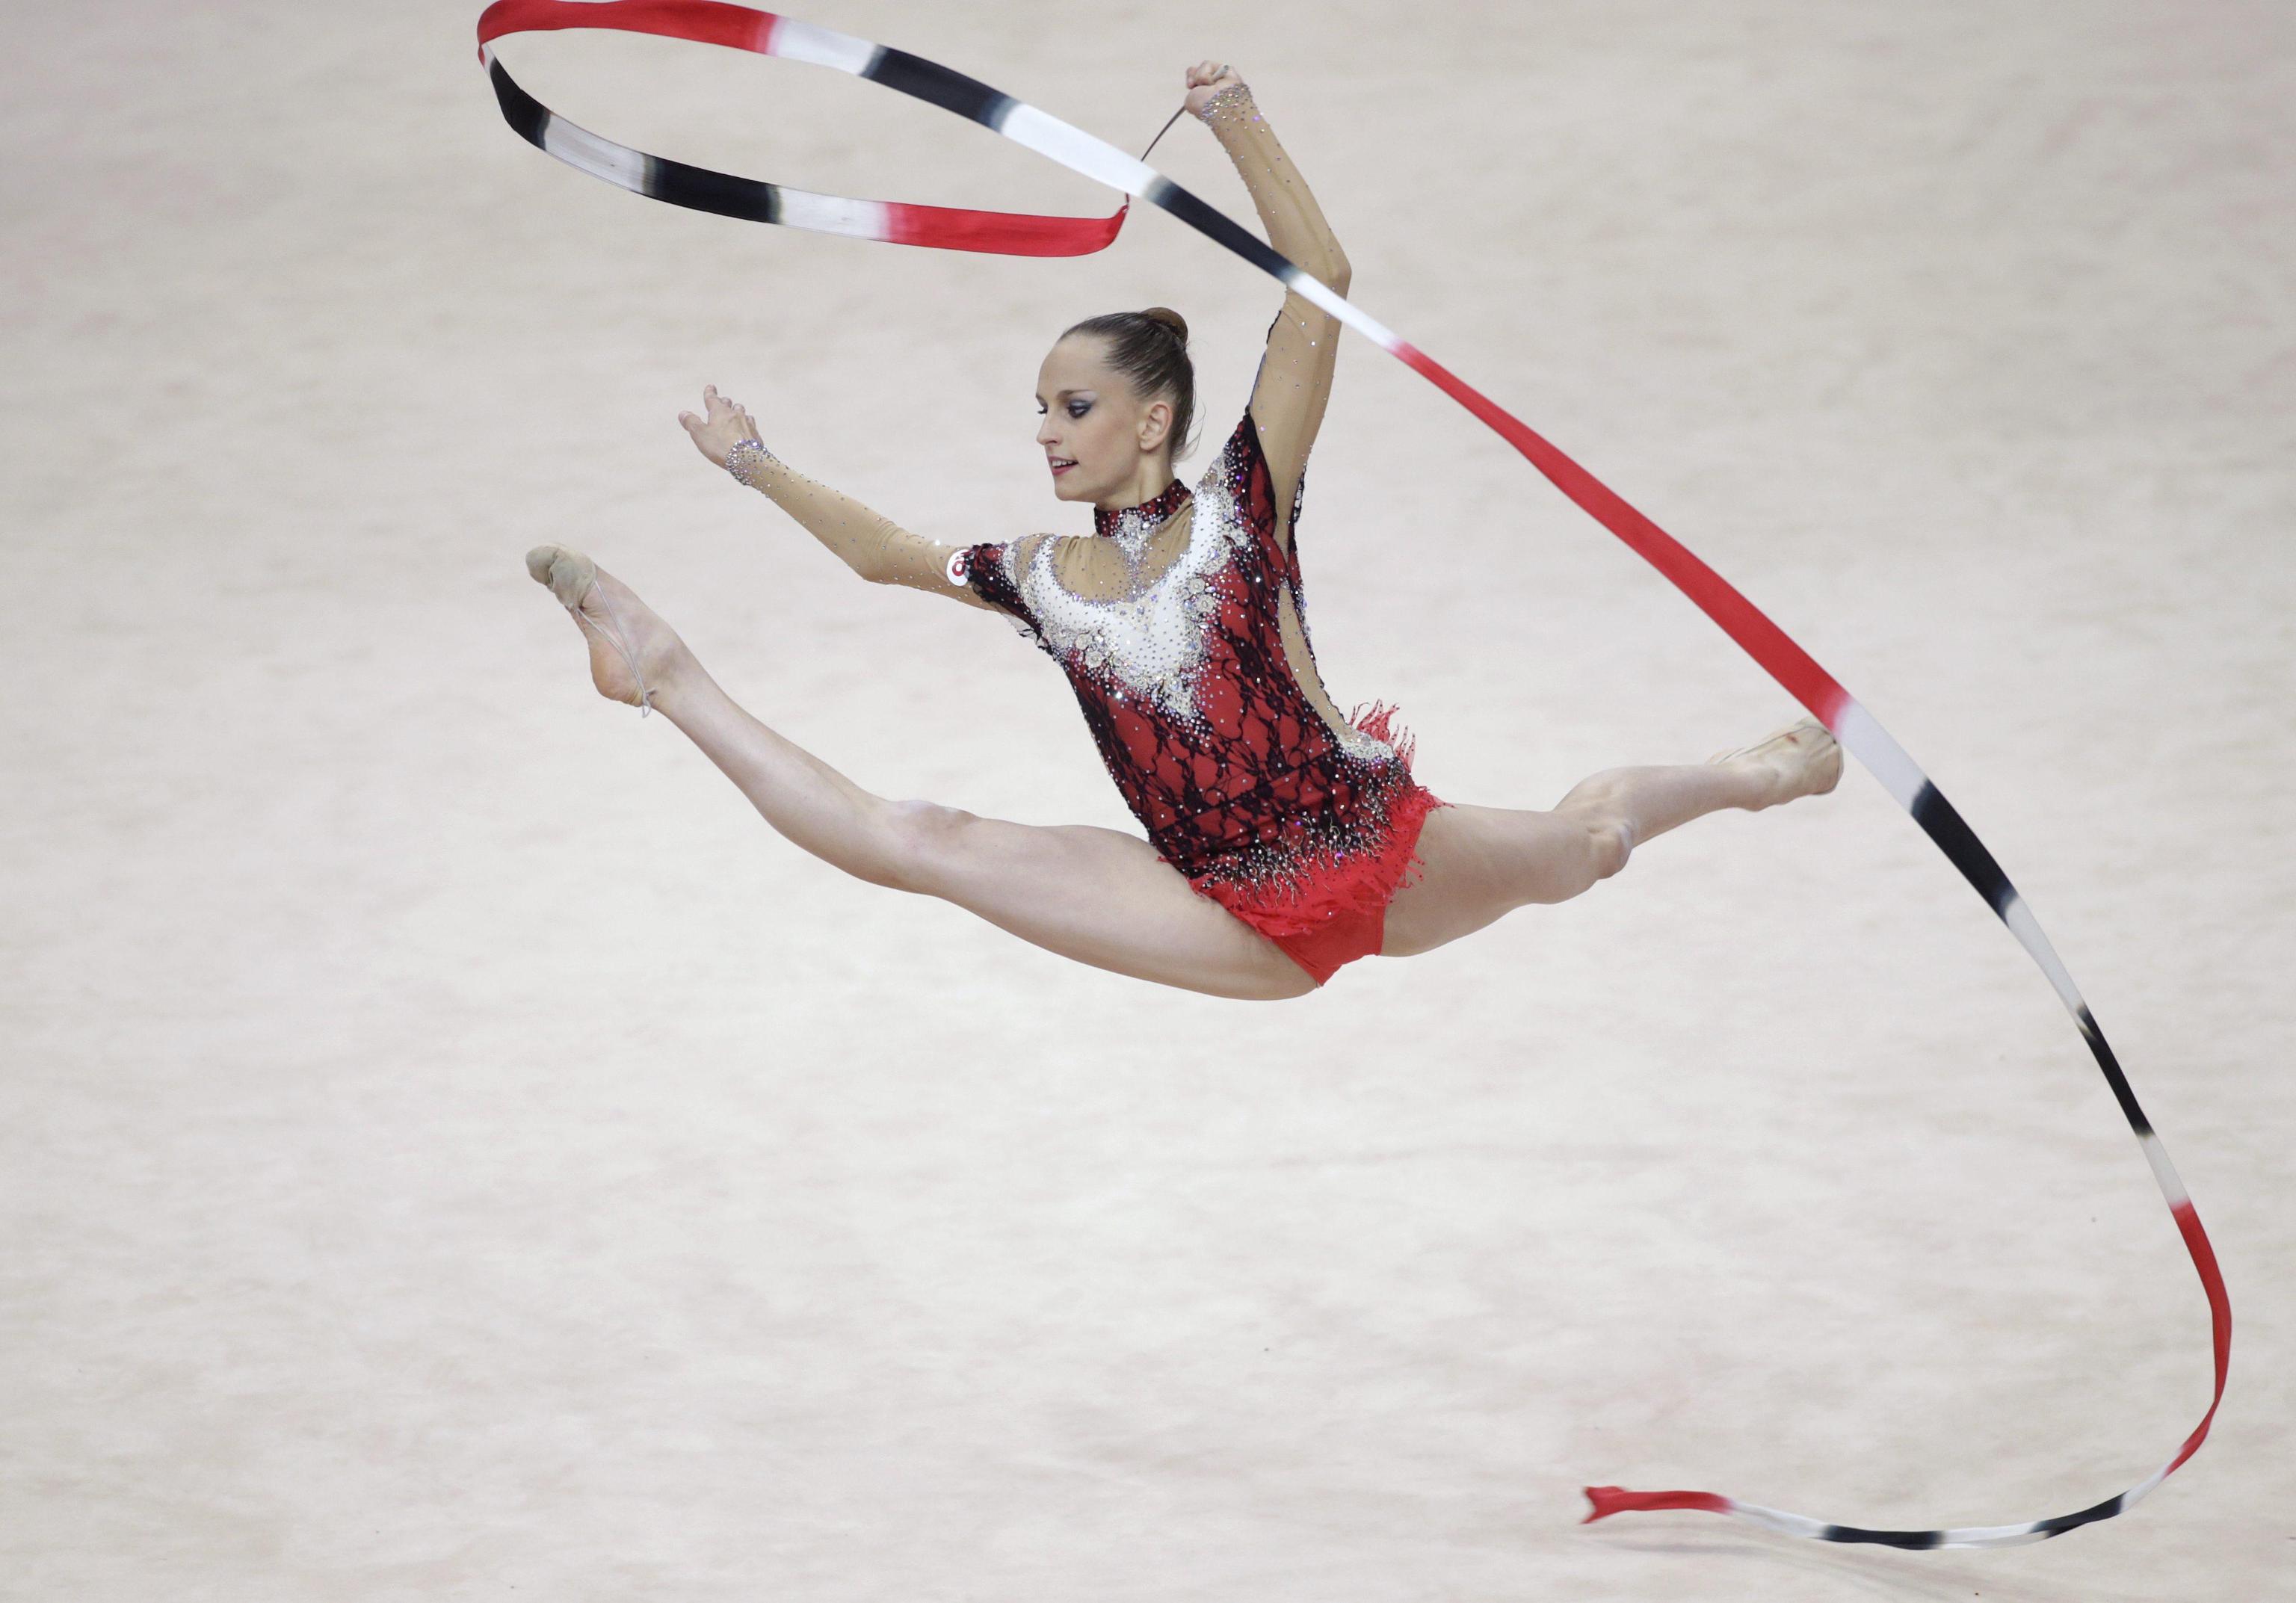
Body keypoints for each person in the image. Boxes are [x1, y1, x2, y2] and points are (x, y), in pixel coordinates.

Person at [524, 61, 1842, 1001]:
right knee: (921, 840)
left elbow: (1318, 281)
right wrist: (755, 463)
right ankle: (659, 669)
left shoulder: (1244, 507)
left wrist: (1236, 121)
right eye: (1038, 407)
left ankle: (1751, 773)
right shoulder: (1041, 578)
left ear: (1153, 422)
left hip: (1374, 858)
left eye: (1074, 405)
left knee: (1590, 847)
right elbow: (882, 556)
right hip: (1214, 902)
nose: (1046, 431)